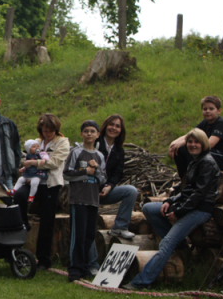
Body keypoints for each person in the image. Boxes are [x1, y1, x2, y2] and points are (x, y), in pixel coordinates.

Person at [124, 128, 220, 290]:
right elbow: (186, 189)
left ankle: (141, 281)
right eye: (190, 142)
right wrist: (170, 200)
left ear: (203, 143)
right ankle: (180, 245)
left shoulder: (207, 163)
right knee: (149, 208)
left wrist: (178, 211)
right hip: (189, 205)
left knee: (167, 242)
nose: (192, 145)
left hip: (201, 209)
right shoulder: (195, 161)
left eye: (196, 142)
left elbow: (199, 194)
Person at [14, 113, 70, 270]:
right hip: (34, 180)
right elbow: (26, 158)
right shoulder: (37, 142)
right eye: (45, 130)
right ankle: (23, 224)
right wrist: (27, 168)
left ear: (56, 129)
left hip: (50, 184)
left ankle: (44, 259)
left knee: (47, 221)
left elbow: (54, 162)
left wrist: (35, 162)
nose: (47, 133)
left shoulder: (62, 142)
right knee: (19, 195)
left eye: (50, 130)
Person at [88, 114, 139, 274]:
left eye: (117, 126)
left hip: (105, 191)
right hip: (88, 191)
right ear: (105, 126)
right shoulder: (95, 143)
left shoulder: (119, 150)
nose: (114, 128)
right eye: (111, 124)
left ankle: (120, 227)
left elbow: (118, 173)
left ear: (121, 130)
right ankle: (92, 264)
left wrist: (110, 186)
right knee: (90, 227)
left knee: (130, 191)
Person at [63, 120, 106, 282]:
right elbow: (66, 174)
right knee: (78, 236)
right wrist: (85, 171)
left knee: (89, 236)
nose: (89, 134)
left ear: (98, 135)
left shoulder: (100, 156)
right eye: (86, 131)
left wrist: (96, 170)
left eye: (92, 131)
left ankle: (86, 267)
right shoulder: (76, 152)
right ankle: (75, 269)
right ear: (82, 134)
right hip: (78, 199)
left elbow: (103, 178)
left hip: (93, 200)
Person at [169, 95, 223, 178]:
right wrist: (174, 144)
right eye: (205, 109)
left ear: (219, 111)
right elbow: (191, 134)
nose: (207, 111)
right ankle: (185, 178)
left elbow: (210, 144)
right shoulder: (205, 123)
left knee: (190, 150)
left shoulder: (221, 123)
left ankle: (193, 177)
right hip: (210, 154)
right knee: (180, 150)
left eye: (211, 109)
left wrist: (185, 144)